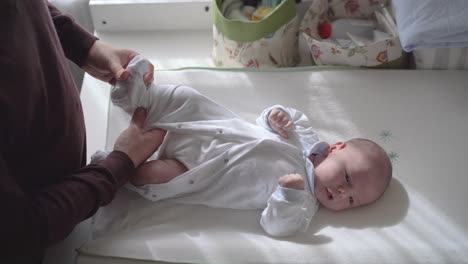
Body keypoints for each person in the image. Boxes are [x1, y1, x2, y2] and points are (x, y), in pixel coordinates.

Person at [93, 55, 393, 237]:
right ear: (336, 148)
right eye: (348, 179)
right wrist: (278, 116)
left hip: (199, 171)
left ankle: (115, 167)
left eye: (351, 200)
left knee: (152, 178)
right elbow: (285, 117)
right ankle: (134, 96)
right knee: (186, 97)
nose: (341, 193)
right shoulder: (306, 136)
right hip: (210, 127)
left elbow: (277, 227)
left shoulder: (303, 204)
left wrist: (288, 195)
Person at [0, 1, 164, 261]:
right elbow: (19, 233)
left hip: (71, 194)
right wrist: (117, 166)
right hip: (49, 232)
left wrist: (84, 46)